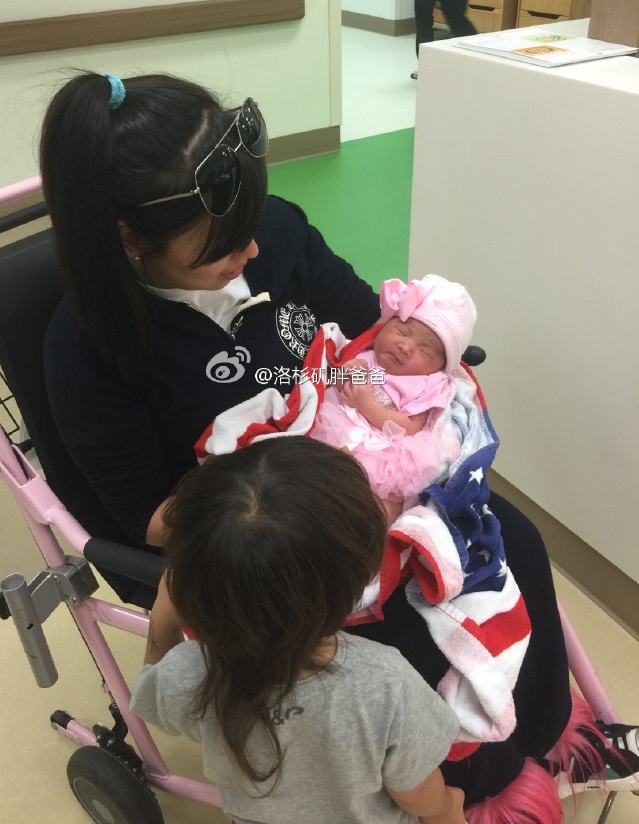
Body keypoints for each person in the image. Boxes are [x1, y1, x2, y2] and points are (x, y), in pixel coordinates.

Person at [40, 71, 634, 821]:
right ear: (130, 242)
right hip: (256, 540)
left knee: (513, 538)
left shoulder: (277, 232)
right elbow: (151, 518)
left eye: (252, 222)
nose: (253, 247)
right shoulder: (87, 351)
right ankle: (477, 787)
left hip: (361, 468)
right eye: (222, 245)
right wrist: (332, 500)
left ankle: (542, 737)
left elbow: (365, 328)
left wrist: (419, 397)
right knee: (405, 642)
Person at [131, 436, 466, 824]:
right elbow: (418, 793)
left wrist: (164, 617)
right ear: (359, 580)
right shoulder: (387, 684)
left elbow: (152, 697)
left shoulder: (189, 674)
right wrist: (450, 808)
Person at [311, 273, 475, 525]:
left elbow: (412, 427)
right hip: (337, 426)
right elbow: (334, 383)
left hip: (383, 450)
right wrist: (347, 373)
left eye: (425, 351)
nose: (405, 347)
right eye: (402, 331)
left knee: (382, 504)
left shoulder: (427, 384)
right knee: (316, 468)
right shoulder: (368, 358)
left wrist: (370, 406)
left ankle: (364, 526)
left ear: (440, 367)